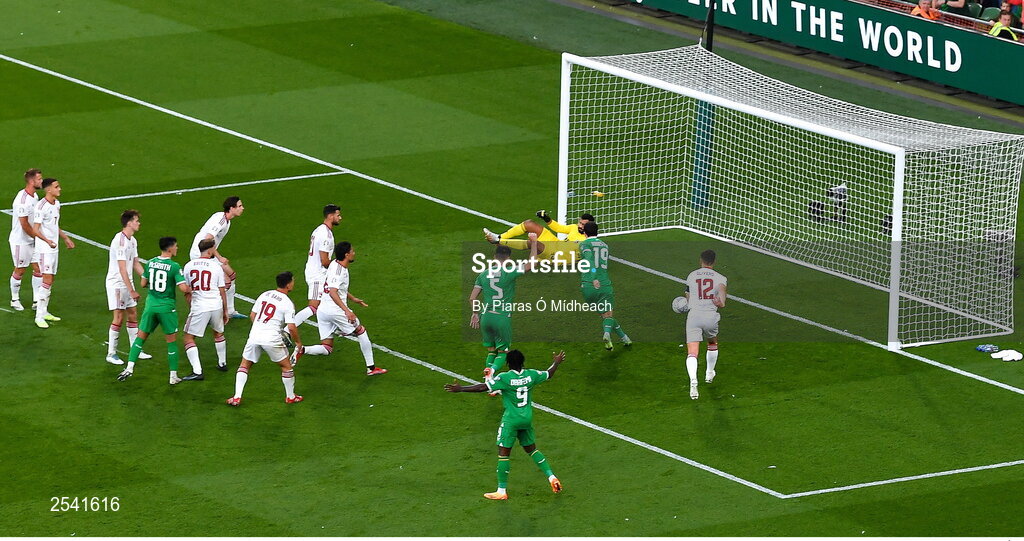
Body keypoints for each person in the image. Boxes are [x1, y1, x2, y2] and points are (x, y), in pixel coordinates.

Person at [444, 349, 566, 500]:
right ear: (523, 362)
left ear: (508, 363)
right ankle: (551, 477)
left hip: (511, 420)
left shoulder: (505, 378)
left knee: (503, 453)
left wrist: (461, 388)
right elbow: (549, 373)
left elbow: (483, 387)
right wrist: (556, 362)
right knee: (532, 449)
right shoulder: (532, 375)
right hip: (526, 419)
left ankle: (501, 491)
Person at [297, 242, 387, 376]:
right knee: (361, 331)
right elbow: (333, 291)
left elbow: (336, 288)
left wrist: (353, 298)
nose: (354, 253)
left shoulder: (334, 264)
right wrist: (347, 310)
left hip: (322, 311)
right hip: (335, 311)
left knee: (327, 347)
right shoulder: (340, 271)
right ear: (346, 255)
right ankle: (371, 368)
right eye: (352, 251)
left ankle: (302, 350)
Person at [117, 237, 190, 385]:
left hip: (151, 306)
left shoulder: (150, 263)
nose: (177, 248)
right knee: (171, 341)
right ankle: (173, 376)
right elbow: (183, 288)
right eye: (176, 246)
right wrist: (191, 288)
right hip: (166, 308)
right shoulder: (174, 266)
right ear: (169, 249)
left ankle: (129, 367)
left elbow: (143, 283)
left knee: (140, 337)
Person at [470, 236, 538, 390]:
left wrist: (475, 313)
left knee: (491, 350)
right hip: (501, 317)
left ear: (494, 257)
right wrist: (533, 242)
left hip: (485, 316)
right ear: (508, 258)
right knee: (503, 351)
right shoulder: (510, 271)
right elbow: (532, 263)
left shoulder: (483, 274)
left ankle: (489, 378)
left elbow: (472, 297)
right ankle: (491, 372)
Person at [227, 271, 303, 406]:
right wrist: (298, 342)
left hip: (254, 335)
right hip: (272, 339)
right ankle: (290, 397)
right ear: (288, 284)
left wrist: (260, 327)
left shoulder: (265, 294)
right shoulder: (287, 302)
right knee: (286, 367)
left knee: (244, 365)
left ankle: (237, 397)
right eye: (293, 281)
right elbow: (291, 327)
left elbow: (252, 315)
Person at [104, 210, 152, 364]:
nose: (139, 223)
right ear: (129, 223)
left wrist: (147, 278)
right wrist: (131, 290)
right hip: (117, 284)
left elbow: (136, 263)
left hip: (126, 283)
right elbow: (122, 268)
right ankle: (111, 354)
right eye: (136, 220)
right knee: (118, 317)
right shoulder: (120, 241)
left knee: (132, 314)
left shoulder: (132, 240)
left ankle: (135, 349)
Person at [189, 196, 245, 319]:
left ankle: (230, 311)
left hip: (209, 252)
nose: (243, 208)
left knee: (232, 276)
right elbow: (207, 239)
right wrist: (219, 257)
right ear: (232, 208)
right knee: (224, 282)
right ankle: (211, 312)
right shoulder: (220, 221)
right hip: (201, 253)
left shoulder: (226, 219)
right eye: (240, 206)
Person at [180, 238, 229, 380]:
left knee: (188, 338)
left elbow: (187, 291)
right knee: (218, 333)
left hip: (200, 306)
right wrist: (225, 311)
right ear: (210, 250)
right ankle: (222, 363)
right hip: (216, 305)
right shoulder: (215, 267)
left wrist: (190, 307)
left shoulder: (189, 266)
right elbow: (222, 291)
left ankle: (197, 371)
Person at [578, 221, 630, 351]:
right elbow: (593, 260)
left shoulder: (584, 244)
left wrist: (592, 277)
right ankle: (607, 334)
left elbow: (589, 259)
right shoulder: (605, 245)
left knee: (605, 316)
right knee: (608, 316)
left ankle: (624, 339)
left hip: (587, 286)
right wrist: (596, 277)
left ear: (584, 232)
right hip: (603, 284)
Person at [683, 250, 728, 400]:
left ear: (700, 260)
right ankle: (709, 373)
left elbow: (688, 299)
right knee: (712, 342)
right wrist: (717, 302)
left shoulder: (691, 276)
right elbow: (722, 303)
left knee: (692, 351)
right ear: (714, 262)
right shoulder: (721, 278)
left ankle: (693, 382)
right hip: (710, 316)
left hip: (694, 315)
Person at [32, 177, 75, 328]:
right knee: (47, 280)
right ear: (48, 189)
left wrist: (65, 238)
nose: (60, 189)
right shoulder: (40, 206)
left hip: (53, 247)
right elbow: (35, 230)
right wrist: (48, 241)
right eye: (57, 187)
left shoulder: (56, 204)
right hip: (44, 249)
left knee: (51, 280)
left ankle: (44, 312)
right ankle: (39, 316)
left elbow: (54, 225)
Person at [293, 204, 341, 327]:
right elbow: (324, 261)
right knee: (314, 306)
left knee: (330, 300)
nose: (340, 218)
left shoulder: (319, 229)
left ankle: (337, 326)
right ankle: (287, 330)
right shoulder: (326, 235)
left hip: (318, 272)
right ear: (330, 216)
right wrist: (338, 265)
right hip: (317, 275)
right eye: (338, 215)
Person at [484, 211, 594, 262]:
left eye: (583, 225)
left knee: (533, 241)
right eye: (580, 222)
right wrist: (546, 218)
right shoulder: (574, 228)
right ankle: (499, 237)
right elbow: (559, 228)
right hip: (555, 243)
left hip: (557, 256)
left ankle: (498, 240)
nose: (580, 225)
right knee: (529, 224)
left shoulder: (587, 242)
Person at [9, 168, 43, 312]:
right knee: (20, 270)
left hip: (33, 239)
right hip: (21, 241)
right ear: (31, 181)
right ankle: (14, 299)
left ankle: (36, 300)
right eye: (39, 179)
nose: (42, 181)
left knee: (38, 269)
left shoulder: (34, 196)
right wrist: (39, 237)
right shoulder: (22, 201)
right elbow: (24, 225)